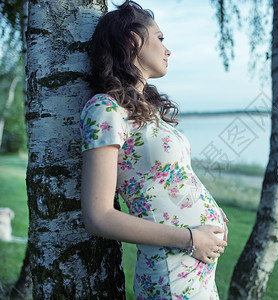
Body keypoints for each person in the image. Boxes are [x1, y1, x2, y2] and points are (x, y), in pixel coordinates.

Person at [79, 1, 228, 299]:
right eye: (160, 38)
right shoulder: (106, 109)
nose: (167, 49)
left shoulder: (145, 112)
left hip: (193, 270)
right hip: (171, 273)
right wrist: (189, 238)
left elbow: (166, 181)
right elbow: (98, 216)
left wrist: (214, 216)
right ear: (133, 39)